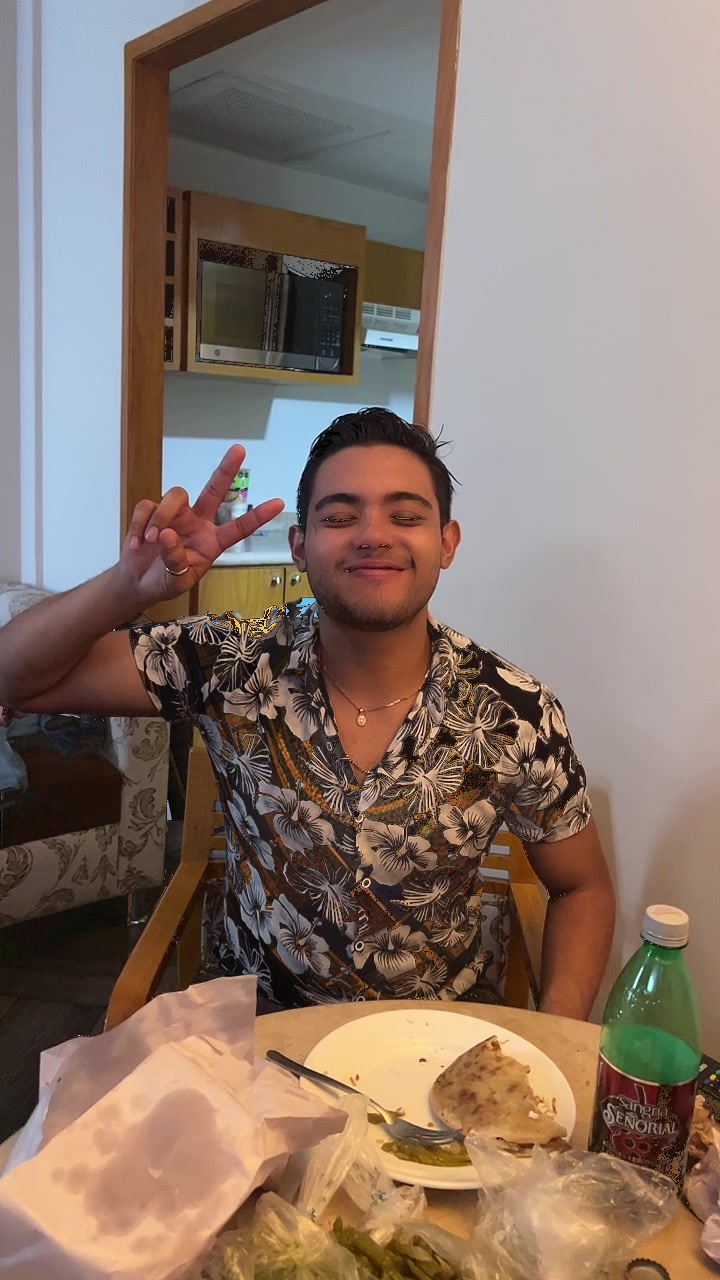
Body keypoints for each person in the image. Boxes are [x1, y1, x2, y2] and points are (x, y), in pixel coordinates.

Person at [0, 409, 615, 1018]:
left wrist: (558, 1034)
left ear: (447, 543)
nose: (373, 535)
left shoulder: (513, 713)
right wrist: (126, 589)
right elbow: (15, 678)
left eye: (405, 516)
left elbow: (581, 886)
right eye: (340, 517)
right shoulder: (233, 662)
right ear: (299, 545)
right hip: (253, 1026)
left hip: (434, 1040)